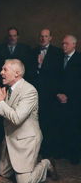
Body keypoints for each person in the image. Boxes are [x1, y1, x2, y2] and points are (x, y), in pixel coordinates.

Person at [0, 59, 58, 183]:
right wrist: (0, 102)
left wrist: (0, 102)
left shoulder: (29, 91)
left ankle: (46, 163)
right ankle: (26, 164)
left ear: (17, 73)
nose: (1, 72)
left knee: (24, 182)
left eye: (5, 69)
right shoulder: (8, 89)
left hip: (26, 140)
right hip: (11, 139)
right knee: (3, 173)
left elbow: (16, 118)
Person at [30, 29, 62, 158]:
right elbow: (30, 73)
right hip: (36, 92)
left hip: (50, 94)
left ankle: (48, 150)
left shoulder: (57, 52)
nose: (43, 39)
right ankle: (37, 148)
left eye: (46, 36)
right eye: (41, 36)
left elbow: (58, 74)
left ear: (50, 38)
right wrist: (38, 66)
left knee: (49, 122)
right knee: (35, 121)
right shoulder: (33, 51)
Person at [57, 35, 81, 164]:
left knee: (74, 128)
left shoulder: (79, 59)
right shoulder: (58, 58)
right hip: (59, 99)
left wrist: (69, 96)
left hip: (74, 101)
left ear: (74, 45)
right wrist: (58, 94)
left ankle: (74, 155)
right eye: (62, 43)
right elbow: (54, 79)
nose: (64, 46)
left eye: (66, 44)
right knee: (61, 126)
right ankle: (62, 151)